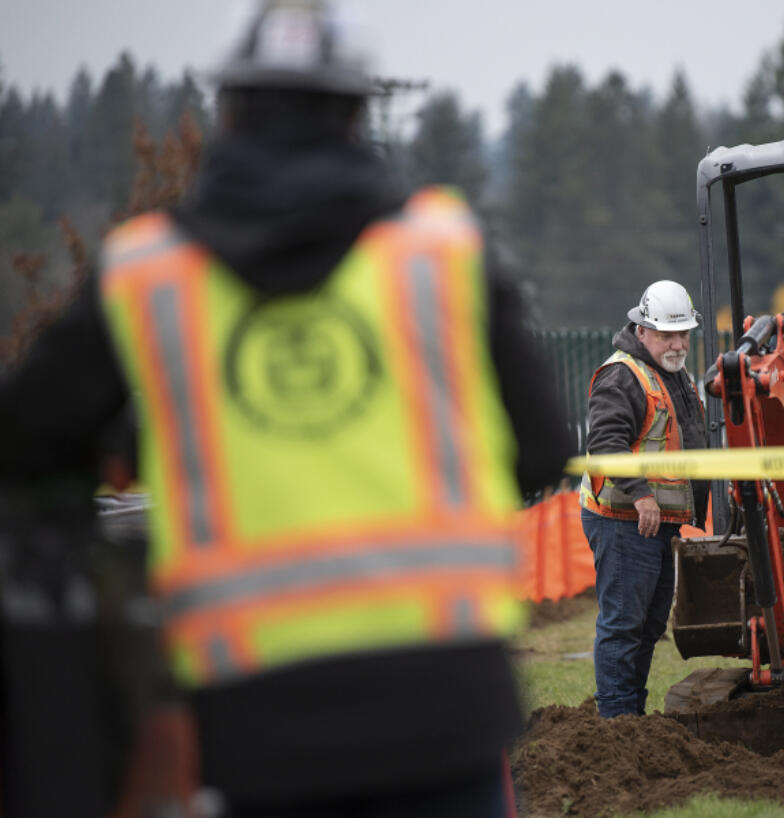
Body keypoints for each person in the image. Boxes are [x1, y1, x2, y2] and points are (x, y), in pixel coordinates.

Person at [0, 2, 571, 815]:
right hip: (444, 710)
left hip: (253, 730)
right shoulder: (442, 252)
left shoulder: (149, 273)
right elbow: (543, 449)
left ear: (229, 113)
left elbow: (26, 440)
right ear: (353, 114)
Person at [579, 280, 708, 718]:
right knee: (623, 626)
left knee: (649, 625)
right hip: (623, 519)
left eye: (683, 334)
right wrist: (641, 495)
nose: (677, 344)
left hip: (656, 522)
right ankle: (618, 723)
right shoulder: (622, 376)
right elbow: (604, 442)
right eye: (667, 335)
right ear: (642, 331)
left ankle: (631, 715)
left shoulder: (672, 374)